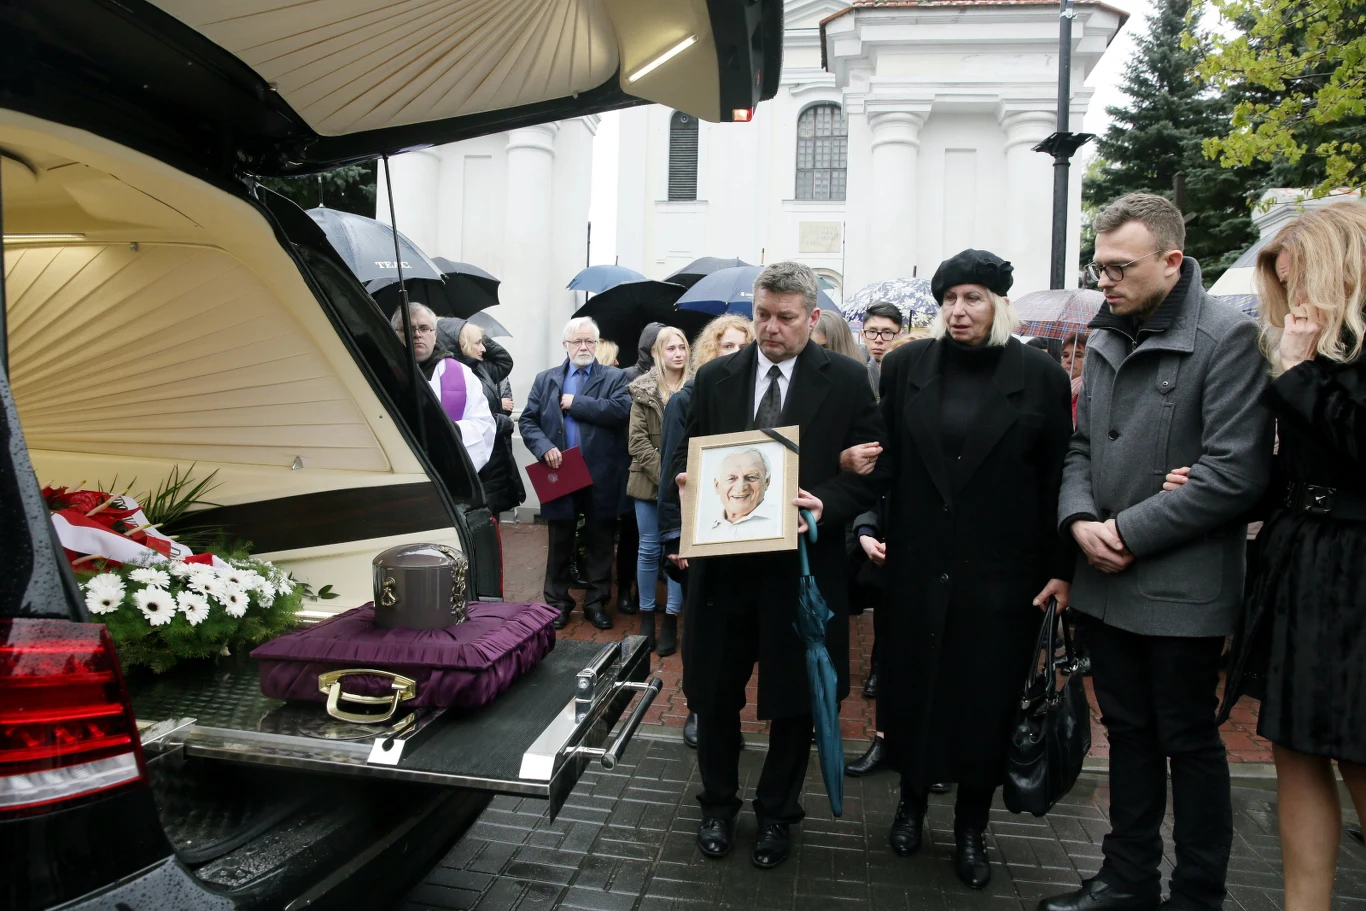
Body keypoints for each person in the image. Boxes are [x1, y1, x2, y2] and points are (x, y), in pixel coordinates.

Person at [1046, 194, 1274, 911]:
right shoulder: (1108, 329)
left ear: (1172, 261)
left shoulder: (1226, 338)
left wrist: (1128, 533)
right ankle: (1127, 877)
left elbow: (1234, 473)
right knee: (1129, 735)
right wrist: (1080, 519)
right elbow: (1081, 445)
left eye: (1119, 267)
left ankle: (1197, 891)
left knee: (1188, 741)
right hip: (1105, 581)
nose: (1104, 280)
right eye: (1098, 265)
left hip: (1180, 587)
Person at [659, 262, 888, 869]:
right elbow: (691, 456)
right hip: (723, 571)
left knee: (795, 702)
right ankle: (716, 805)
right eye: (762, 313)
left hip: (802, 571)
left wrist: (826, 501)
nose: (770, 327)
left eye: (785, 317)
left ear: (812, 318)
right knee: (712, 695)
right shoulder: (715, 376)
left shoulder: (844, 379)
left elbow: (872, 475)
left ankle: (777, 816)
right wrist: (688, 492)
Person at [873, 249, 1074, 890]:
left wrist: (1060, 567)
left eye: (973, 299)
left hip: (1001, 573)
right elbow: (889, 464)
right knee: (913, 688)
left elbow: (1055, 478)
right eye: (950, 300)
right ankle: (909, 801)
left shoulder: (1037, 373)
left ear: (998, 304)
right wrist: (867, 526)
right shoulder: (905, 365)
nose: (959, 312)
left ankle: (970, 824)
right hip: (917, 565)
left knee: (985, 697)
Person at [1209, 203, 1366, 911]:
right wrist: (1227, 489)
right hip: (1302, 563)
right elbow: (1303, 472)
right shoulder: (1318, 354)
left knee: (1357, 751)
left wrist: (1298, 371)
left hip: (1357, 573)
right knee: (1294, 747)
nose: (1293, 298)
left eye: (1299, 276)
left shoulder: (1324, 360)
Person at [657, 313, 756, 749]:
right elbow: (672, 471)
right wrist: (676, 535)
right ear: (710, 353)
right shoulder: (689, 397)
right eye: (725, 347)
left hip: (751, 526)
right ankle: (698, 708)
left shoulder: (760, 397)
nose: (734, 354)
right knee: (704, 630)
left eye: (741, 346)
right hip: (705, 531)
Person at [519, 317, 632, 630]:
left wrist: (576, 403)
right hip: (560, 471)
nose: (584, 347)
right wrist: (543, 447)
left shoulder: (613, 376)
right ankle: (557, 604)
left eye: (590, 342)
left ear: (596, 345)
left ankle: (596, 604)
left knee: (600, 542)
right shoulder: (546, 379)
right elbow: (528, 421)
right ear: (565, 345)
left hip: (601, 474)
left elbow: (620, 411)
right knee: (559, 542)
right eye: (577, 341)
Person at [627, 326, 691, 655]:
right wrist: (664, 474)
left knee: (679, 550)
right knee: (649, 549)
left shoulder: (697, 388)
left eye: (682, 347)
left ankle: (671, 618)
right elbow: (636, 442)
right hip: (647, 481)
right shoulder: (642, 390)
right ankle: (647, 617)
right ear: (657, 353)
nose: (678, 353)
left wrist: (676, 478)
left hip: (684, 486)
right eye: (671, 348)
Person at [391, 303, 496, 472]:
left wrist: (451, 430)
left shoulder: (461, 374)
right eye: (408, 328)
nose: (417, 334)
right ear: (395, 334)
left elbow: (484, 427)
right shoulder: (379, 371)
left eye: (424, 328)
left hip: (444, 476)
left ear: (435, 335)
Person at [456, 322, 526, 516]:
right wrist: (499, 421)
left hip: (492, 460)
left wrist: (471, 330)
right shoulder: (453, 374)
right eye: (478, 343)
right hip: (476, 461)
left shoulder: (481, 368)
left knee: (490, 521)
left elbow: (504, 361)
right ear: (463, 344)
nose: (484, 348)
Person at [860, 301, 906, 395]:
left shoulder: (906, 373)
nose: (878, 339)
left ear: (900, 336)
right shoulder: (849, 371)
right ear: (862, 334)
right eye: (872, 332)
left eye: (887, 333)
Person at [1060, 330, 1087, 425]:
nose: (1069, 360)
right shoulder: (1054, 388)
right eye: (1065, 355)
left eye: (1078, 355)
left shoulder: (1089, 392)